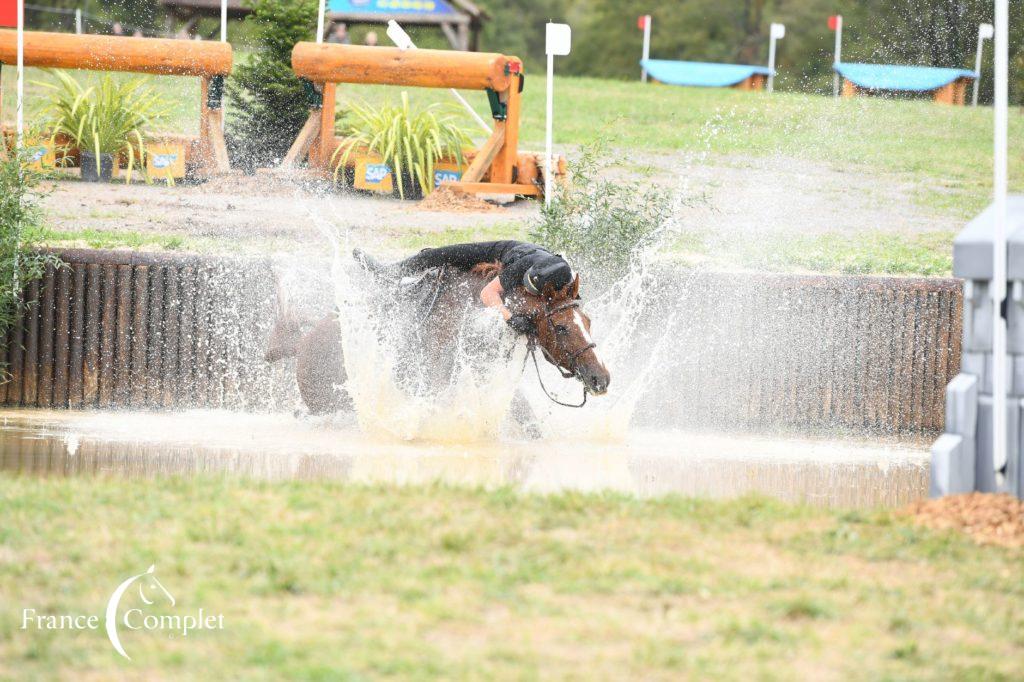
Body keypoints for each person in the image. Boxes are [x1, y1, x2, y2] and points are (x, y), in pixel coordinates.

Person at [354, 241, 575, 335]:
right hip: (500, 251)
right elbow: (487, 293)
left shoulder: (566, 277)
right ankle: (388, 272)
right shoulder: (522, 266)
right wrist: (509, 317)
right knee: (434, 255)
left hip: (533, 261)